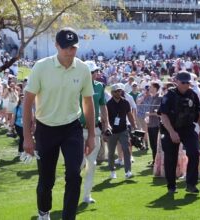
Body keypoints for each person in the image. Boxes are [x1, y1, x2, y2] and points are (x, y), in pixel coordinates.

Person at [23, 27, 95, 220]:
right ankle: (44, 212)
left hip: (71, 128)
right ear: (56, 46)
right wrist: (27, 137)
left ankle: (68, 217)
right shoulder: (41, 66)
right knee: (46, 180)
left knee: (74, 174)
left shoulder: (83, 68)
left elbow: (88, 101)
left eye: (73, 48)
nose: (70, 52)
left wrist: (92, 135)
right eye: (66, 48)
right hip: (45, 129)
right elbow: (28, 100)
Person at [158, 71, 200, 193]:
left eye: (188, 82)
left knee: (194, 153)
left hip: (188, 128)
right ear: (177, 82)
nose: (186, 85)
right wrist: (172, 132)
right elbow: (163, 115)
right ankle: (171, 186)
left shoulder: (192, 94)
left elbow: (199, 111)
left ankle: (191, 184)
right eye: (183, 82)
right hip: (171, 129)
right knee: (170, 158)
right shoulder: (169, 95)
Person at [80, 60, 108, 204]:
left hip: (94, 129)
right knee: (78, 165)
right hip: (77, 130)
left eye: (96, 71)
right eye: (92, 72)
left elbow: (103, 106)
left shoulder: (99, 87)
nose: (95, 74)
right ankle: (72, 192)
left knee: (92, 164)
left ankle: (86, 196)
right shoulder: (76, 86)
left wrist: (106, 124)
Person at [106, 83, 137, 179]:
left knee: (126, 150)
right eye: (117, 91)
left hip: (123, 130)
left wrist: (134, 125)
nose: (119, 92)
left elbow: (129, 114)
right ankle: (112, 170)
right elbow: (105, 118)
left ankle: (128, 171)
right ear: (112, 93)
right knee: (111, 152)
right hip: (112, 131)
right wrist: (105, 131)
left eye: (120, 91)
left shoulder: (125, 102)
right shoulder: (108, 104)